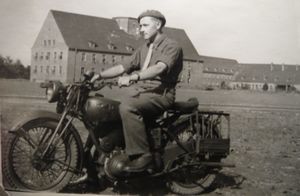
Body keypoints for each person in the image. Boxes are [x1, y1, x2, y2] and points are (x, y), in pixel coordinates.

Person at [91, 10, 183, 172]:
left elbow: (159, 68)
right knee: (108, 108)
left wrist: (134, 77)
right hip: (141, 91)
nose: (141, 29)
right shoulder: (144, 48)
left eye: (145, 25)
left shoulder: (171, 46)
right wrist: (99, 75)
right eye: (140, 26)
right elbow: (122, 66)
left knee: (128, 107)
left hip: (160, 93)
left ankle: (143, 156)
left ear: (158, 25)